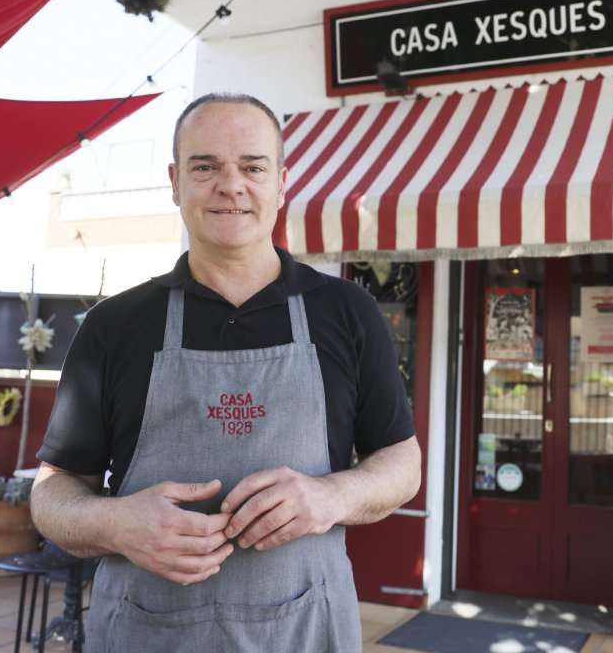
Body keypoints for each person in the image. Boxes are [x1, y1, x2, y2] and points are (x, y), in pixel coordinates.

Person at [30, 93, 421, 652]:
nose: (230, 185)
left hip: (306, 633)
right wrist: (115, 525)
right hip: (147, 631)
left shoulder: (346, 312)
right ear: (175, 181)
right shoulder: (113, 326)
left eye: (253, 167)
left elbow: (401, 463)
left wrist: (329, 497)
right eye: (205, 165)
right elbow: (52, 494)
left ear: (281, 183)